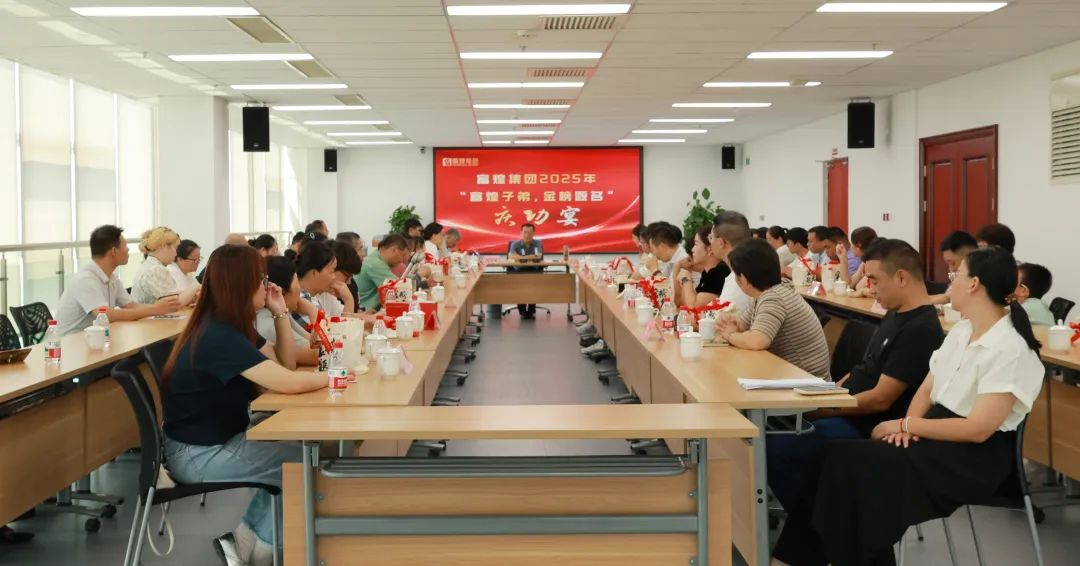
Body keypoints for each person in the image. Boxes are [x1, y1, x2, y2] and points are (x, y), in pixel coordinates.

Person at [788, 246, 1045, 566]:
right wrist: (908, 426)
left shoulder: (1011, 348)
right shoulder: (963, 330)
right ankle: (792, 559)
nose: (950, 282)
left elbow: (978, 429)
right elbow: (926, 387)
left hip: (972, 458)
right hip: (935, 435)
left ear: (974, 284)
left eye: (956, 275)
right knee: (833, 459)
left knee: (853, 471)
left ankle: (803, 558)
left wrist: (905, 425)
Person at [767, 239, 946, 564]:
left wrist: (818, 408)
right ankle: (826, 528)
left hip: (869, 427)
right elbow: (861, 371)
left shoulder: (920, 329)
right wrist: (827, 392)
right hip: (847, 409)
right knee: (772, 436)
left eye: (874, 279)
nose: (868, 287)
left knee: (776, 446)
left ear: (902, 277)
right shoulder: (895, 314)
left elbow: (880, 400)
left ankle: (825, 530)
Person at [161, 244, 327, 566]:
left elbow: (286, 365)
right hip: (199, 454)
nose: (267, 286)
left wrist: (279, 311)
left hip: (213, 440)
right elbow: (288, 382)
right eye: (261, 279)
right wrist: (338, 376)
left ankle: (244, 541)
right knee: (299, 464)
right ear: (241, 284)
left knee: (300, 453)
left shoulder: (230, 325)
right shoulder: (218, 336)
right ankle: (256, 549)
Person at [716, 239, 831, 376]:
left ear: (743, 279)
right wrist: (730, 324)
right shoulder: (771, 291)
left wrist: (730, 335)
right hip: (793, 376)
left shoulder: (774, 298)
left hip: (807, 382)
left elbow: (757, 341)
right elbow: (741, 326)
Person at [255, 256, 318, 367]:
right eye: (297, 282)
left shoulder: (280, 314)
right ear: (282, 290)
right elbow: (319, 354)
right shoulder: (267, 321)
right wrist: (312, 311)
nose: (300, 289)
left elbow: (313, 342)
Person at [130, 227, 200, 307]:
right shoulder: (155, 269)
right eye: (176, 248)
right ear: (164, 246)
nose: (176, 254)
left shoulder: (151, 265)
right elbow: (175, 304)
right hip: (149, 315)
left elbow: (175, 296)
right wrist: (196, 286)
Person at [707, 211, 753, 312]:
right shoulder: (749, 269)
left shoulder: (738, 281)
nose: (709, 243)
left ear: (721, 242)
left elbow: (724, 319)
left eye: (711, 238)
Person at [295, 241, 353, 320]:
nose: (334, 277)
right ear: (314, 273)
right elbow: (344, 327)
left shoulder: (312, 297)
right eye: (332, 271)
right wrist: (349, 300)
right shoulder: (300, 299)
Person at [675, 226, 728, 308]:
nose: (692, 249)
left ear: (709, 249)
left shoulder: (719, 271)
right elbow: (682, 302)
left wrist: (686, 279)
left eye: (696, 244)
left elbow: (694, 307)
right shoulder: (706, 273)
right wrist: (678, 268)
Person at [355, 234, 409, 311]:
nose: (402, 261)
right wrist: (420, 276)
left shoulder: (374, 259)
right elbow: (401, 288)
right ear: (395, 250)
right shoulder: (375, 263)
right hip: (366, 312)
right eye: (403, 255)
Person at [930, 230, 978, 305]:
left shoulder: (981, 285)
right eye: (948, 264)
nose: (951, 269)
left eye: (953, 263)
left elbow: (946, 297)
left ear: (970, 259)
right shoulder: (957, 281)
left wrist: (946, 297)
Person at [509, 223, 544, 318]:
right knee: (519, 287)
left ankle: (531, 310)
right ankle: (523, 311)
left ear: (534, 233)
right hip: (518, 271)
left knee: (534, 285)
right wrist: (530, 257)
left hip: (534, 270)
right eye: (525, 232)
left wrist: (520, 257)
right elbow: (511, 256)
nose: (527, 235)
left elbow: (538, 256)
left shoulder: (538, 243)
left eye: (530, 233)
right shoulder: (515, 244)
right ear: (521, 233)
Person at [331, 240, 364, 314]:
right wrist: (348, 300)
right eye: (347, 276)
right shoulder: (313, 298)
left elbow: (347, 317)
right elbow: (347, 319)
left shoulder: (329, 296)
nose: (349, 282)